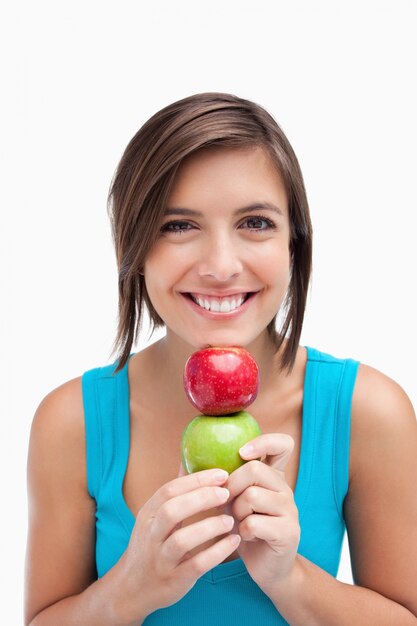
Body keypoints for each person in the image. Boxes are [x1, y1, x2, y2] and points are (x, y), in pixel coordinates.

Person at [24, 93, 417, 625]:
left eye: (255, 222)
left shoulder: (370, 411)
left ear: (294, 245)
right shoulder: (71, 421)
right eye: (179, 226)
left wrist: (289, 578)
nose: (221, 265)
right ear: (135, 247)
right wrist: (131, 587)